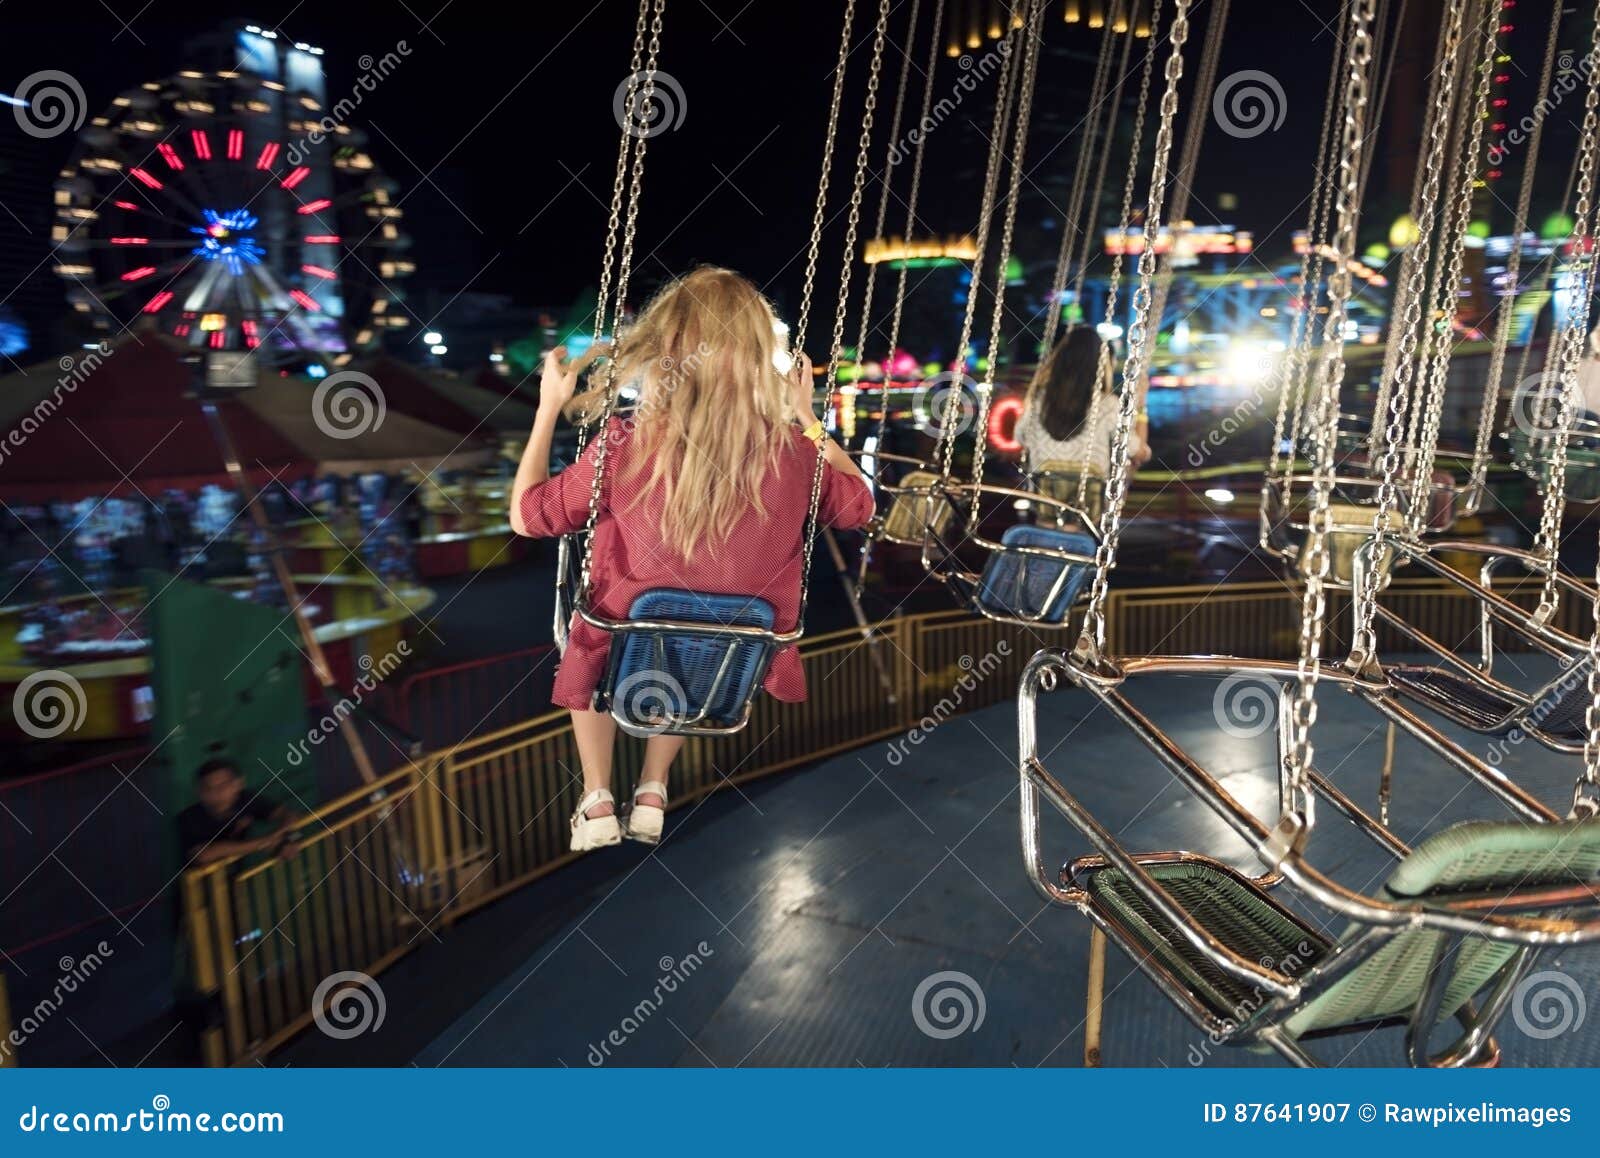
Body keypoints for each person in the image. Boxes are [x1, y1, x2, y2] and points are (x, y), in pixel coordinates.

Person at [510, 266, 875, 853]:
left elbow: (528, 518)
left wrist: (547, 409)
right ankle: (653, 788)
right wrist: (807, 418)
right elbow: (859, 504)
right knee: (689, 638)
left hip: (626, 634)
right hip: (732, 652)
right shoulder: (794, 454)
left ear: (667, 349)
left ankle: (598, 795)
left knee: (596, 627)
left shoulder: (626, 443)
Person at [1015, 326, 1151, 475]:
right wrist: (1140, 405)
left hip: (1043, 496)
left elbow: (1020, 437)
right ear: (1100, 366)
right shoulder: (1108, 405)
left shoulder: (1038, 401)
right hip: (1089, 497)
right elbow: (1139, 453)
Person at [176, 758, 300, 866]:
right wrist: (265, 842)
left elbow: (287, 814)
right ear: (200, 793)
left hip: (235, 881)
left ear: (238, 784)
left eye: (223, 785)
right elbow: (203, 855)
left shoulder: (246, 799)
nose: (217, 792)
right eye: (208, 788)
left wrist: (289, 839)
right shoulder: (189, 818)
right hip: (193, 888)